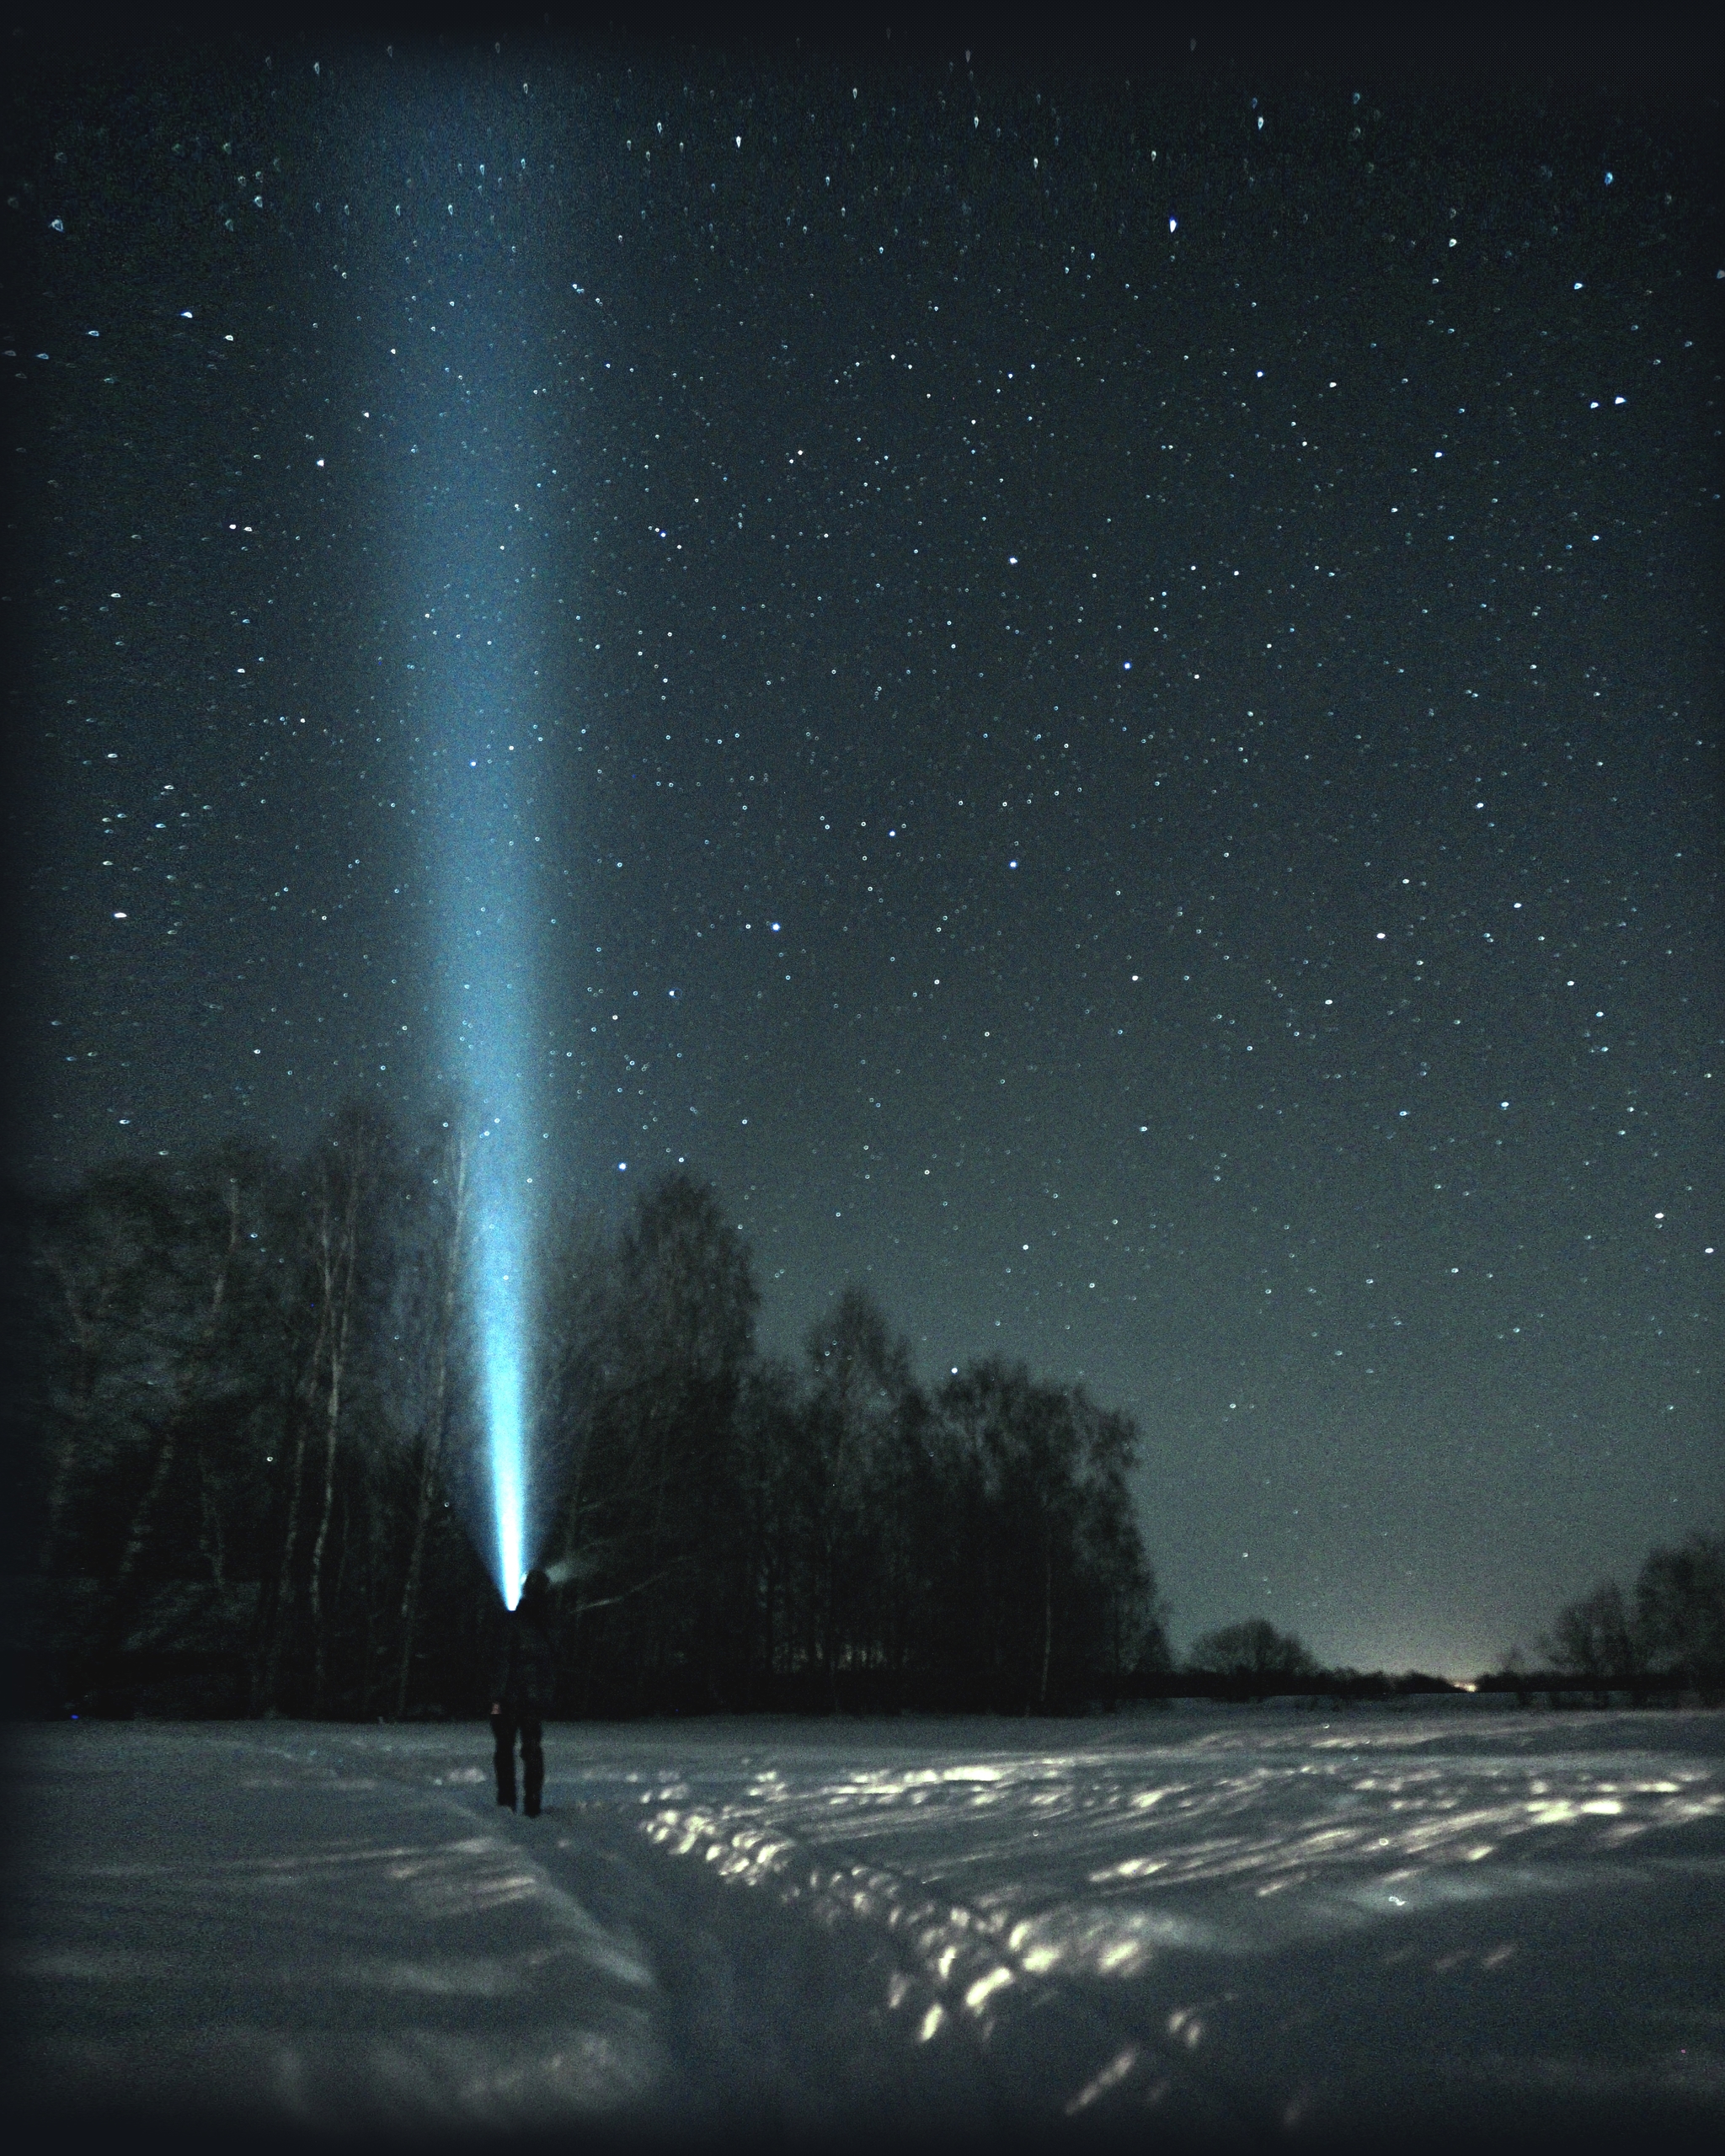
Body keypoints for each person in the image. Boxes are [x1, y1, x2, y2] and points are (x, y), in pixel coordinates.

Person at [489, 1566, 555, 1817]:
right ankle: (533, 1802)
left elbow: (502, 1662)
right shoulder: (551, 1624)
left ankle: (507, 1801)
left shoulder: (514, 1621)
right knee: (533, 1750)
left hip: (510, 1699)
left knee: (505, 1750)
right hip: (536, 1700)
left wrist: (495, 1700)